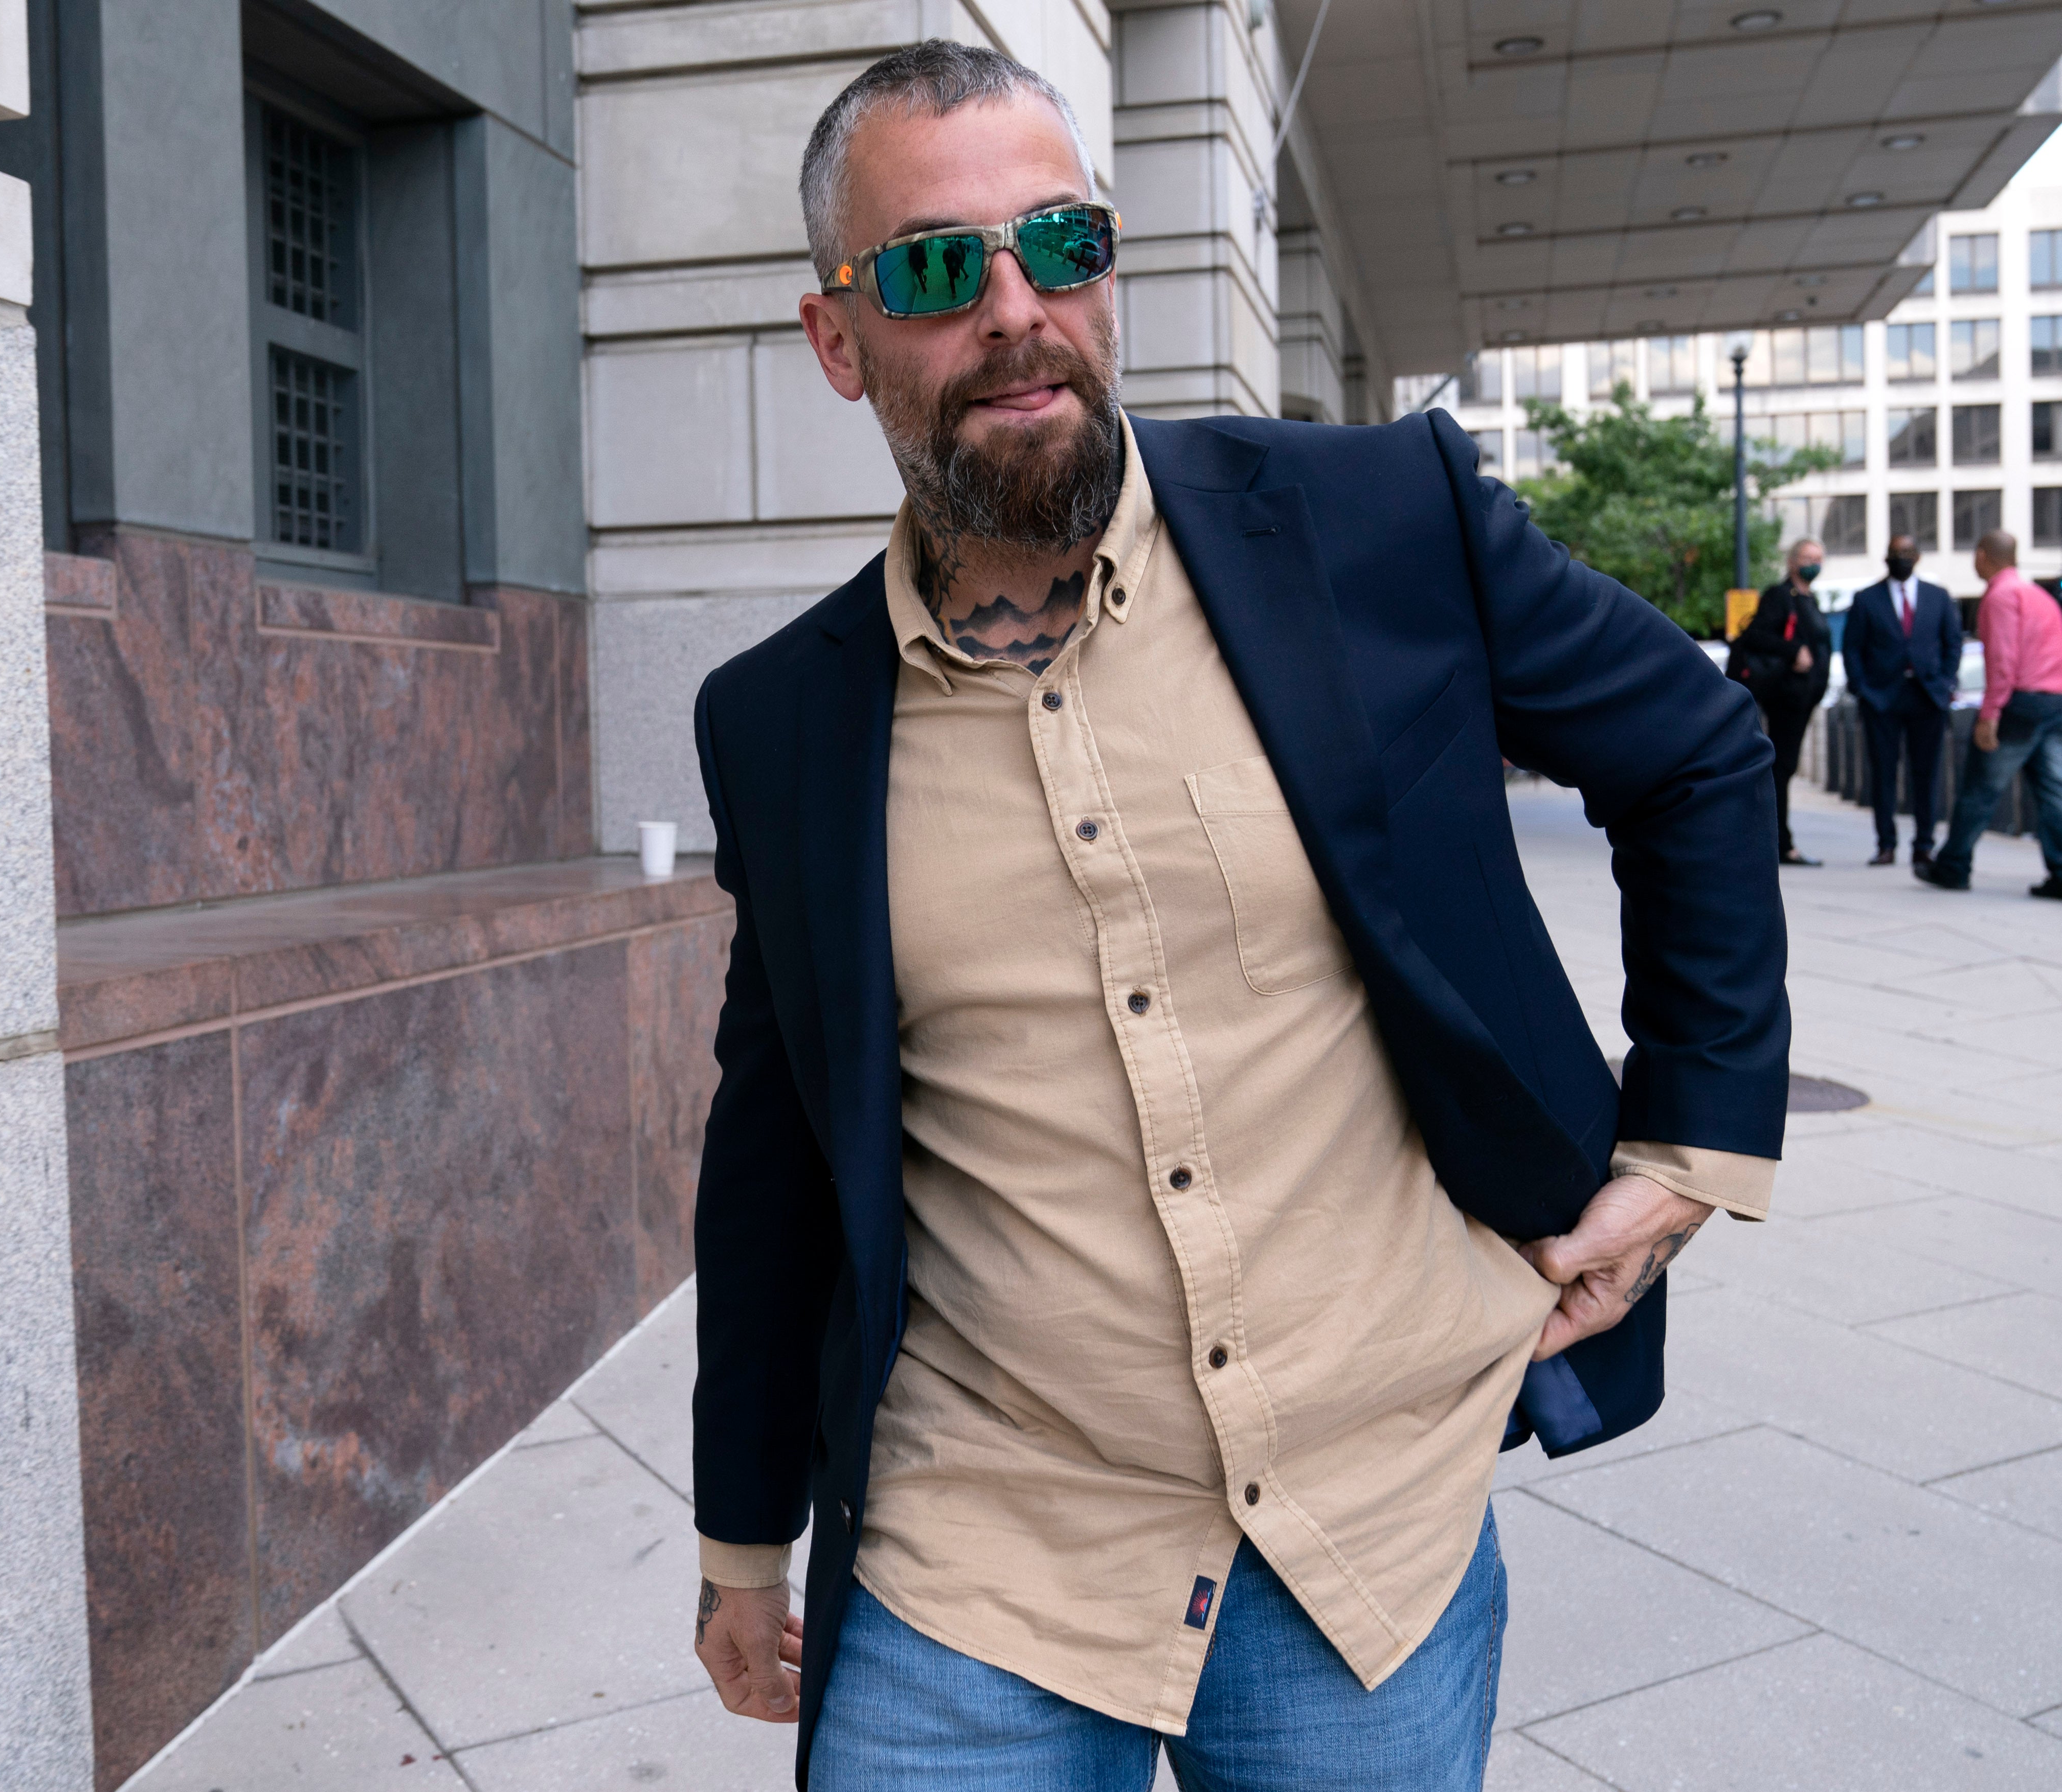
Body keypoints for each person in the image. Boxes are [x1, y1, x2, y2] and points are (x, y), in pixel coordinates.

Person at [683, 41, 1788, 1792]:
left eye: (1059, 243)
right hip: (976, 1552)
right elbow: (774, 1136)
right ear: (839, 338)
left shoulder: (1372, 523)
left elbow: (1694, 754)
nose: (1011, 309)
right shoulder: (777, 719)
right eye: (926, 268)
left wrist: (1688, 1141)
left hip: (1363, 1537)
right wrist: (741, 1534)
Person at [1916, 529, 2062, 896]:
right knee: (2053, 790)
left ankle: (1953, 866)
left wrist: (1990, 714)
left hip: (2020, 703)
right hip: (2054, 701)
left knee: (1981, 787)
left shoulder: (1999, 597)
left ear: (1983, 555)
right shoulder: (2038, 596)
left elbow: (2002, 661)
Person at [1840, 534, 1964, 868]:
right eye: (1896, 553)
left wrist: (1946, 681)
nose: (1901, 558)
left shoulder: (1938, 597)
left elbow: (1953, 643)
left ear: (1918, 557)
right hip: (1882, 699)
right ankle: (1886, 844)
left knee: (1926, 774)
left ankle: (1924, 844)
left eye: (1907, 553)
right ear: (1886, 559)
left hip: (1927, 697)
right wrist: (1862, 688)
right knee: (1883, 773)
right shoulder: (1867, 599)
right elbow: (1853, 647)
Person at [1728, 537, 1835, 865]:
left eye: (1818, 558)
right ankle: (1779, 843)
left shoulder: (1811, 600)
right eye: (1806, 557)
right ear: (1792, 561)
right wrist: (1793, 652)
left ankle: (1778, 841)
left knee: (1783, 768)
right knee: (1781, 768)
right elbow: (1757, 635)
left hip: (1803, 699)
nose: (1812, 564)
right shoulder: (1780, 596)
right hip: (1785, 695)